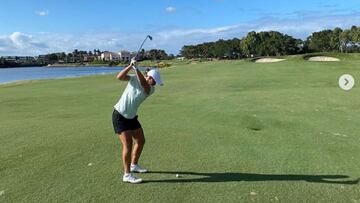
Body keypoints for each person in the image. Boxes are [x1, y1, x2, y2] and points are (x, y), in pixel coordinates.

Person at [112, 58, 163, 184]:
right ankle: (127, 174)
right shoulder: (134, 79)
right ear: (149, 77)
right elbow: (119, 77)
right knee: (128, 144)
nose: (155, 83)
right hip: (119, 115)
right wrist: (130, 66)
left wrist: (136, 68)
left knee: (141, 140)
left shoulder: (150, 89)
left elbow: (144, 84)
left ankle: (134, 165)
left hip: (131, 117)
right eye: (154, 80)